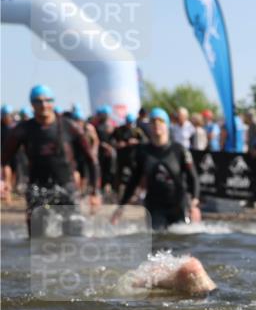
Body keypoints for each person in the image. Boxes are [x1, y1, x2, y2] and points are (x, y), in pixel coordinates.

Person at [1, 85, 100, 234]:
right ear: (32, 104)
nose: (43, 105)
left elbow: (92, 160)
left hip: (66, 187)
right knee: (36, 239)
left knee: (73, 236)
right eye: (38, 101)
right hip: (37, 188)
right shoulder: (24, 129)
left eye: (48, 100)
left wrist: (95, 193)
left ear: (53, 102)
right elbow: (4, 158)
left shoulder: (70, 126)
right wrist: (2, 180)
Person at [112, 108, 202, 230]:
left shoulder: (179, 150)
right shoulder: (143, 151)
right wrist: (121, 207)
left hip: (178, 205)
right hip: (154, 206)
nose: (157, 125)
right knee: (157, 242)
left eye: (161, 122)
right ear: (149, 126)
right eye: (153, 122)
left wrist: (195, 203)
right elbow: (134, 180)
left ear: (167, 125)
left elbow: (193, 177)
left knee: (182, 241)